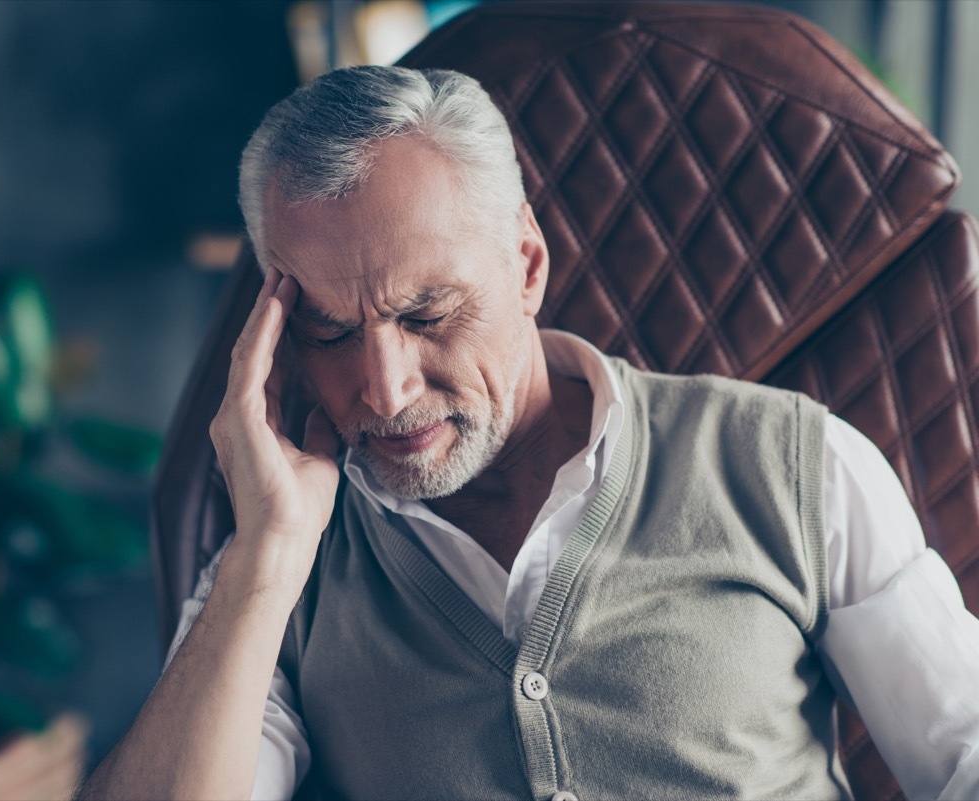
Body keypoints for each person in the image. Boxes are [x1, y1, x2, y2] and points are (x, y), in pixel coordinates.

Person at [80, 66, 979, 800]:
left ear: (527, 264)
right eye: (328, 330)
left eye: (427, 314)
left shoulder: (795, 465)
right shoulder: (272, 572)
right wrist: (266, 559)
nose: (384, 388)